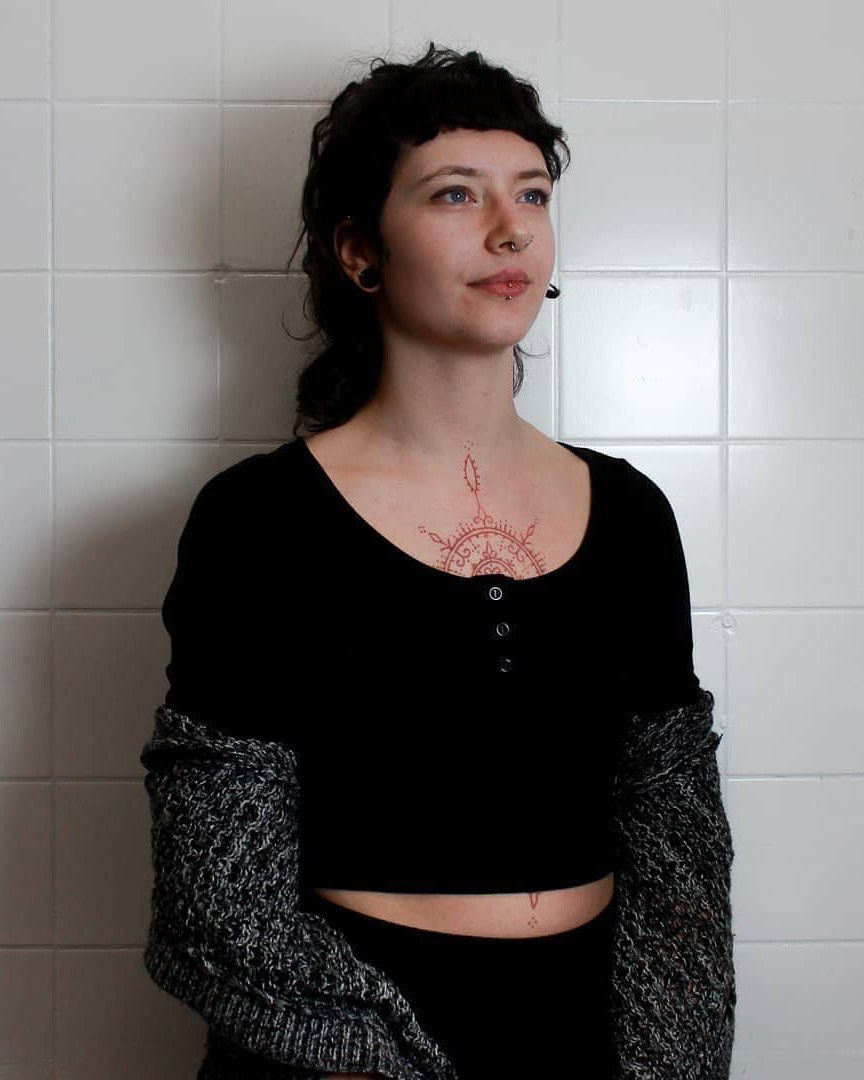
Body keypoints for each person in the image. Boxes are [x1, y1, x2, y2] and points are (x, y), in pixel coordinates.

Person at [140, 42, 736, 1079]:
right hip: (337, 1047)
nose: (511, 228)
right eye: (457, 193)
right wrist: (367, 1061)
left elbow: (679, 851)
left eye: (533, 194)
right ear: (359, 251)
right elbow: (215, 898)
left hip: (587, 1040)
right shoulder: (258, 520)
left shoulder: (634, 514)